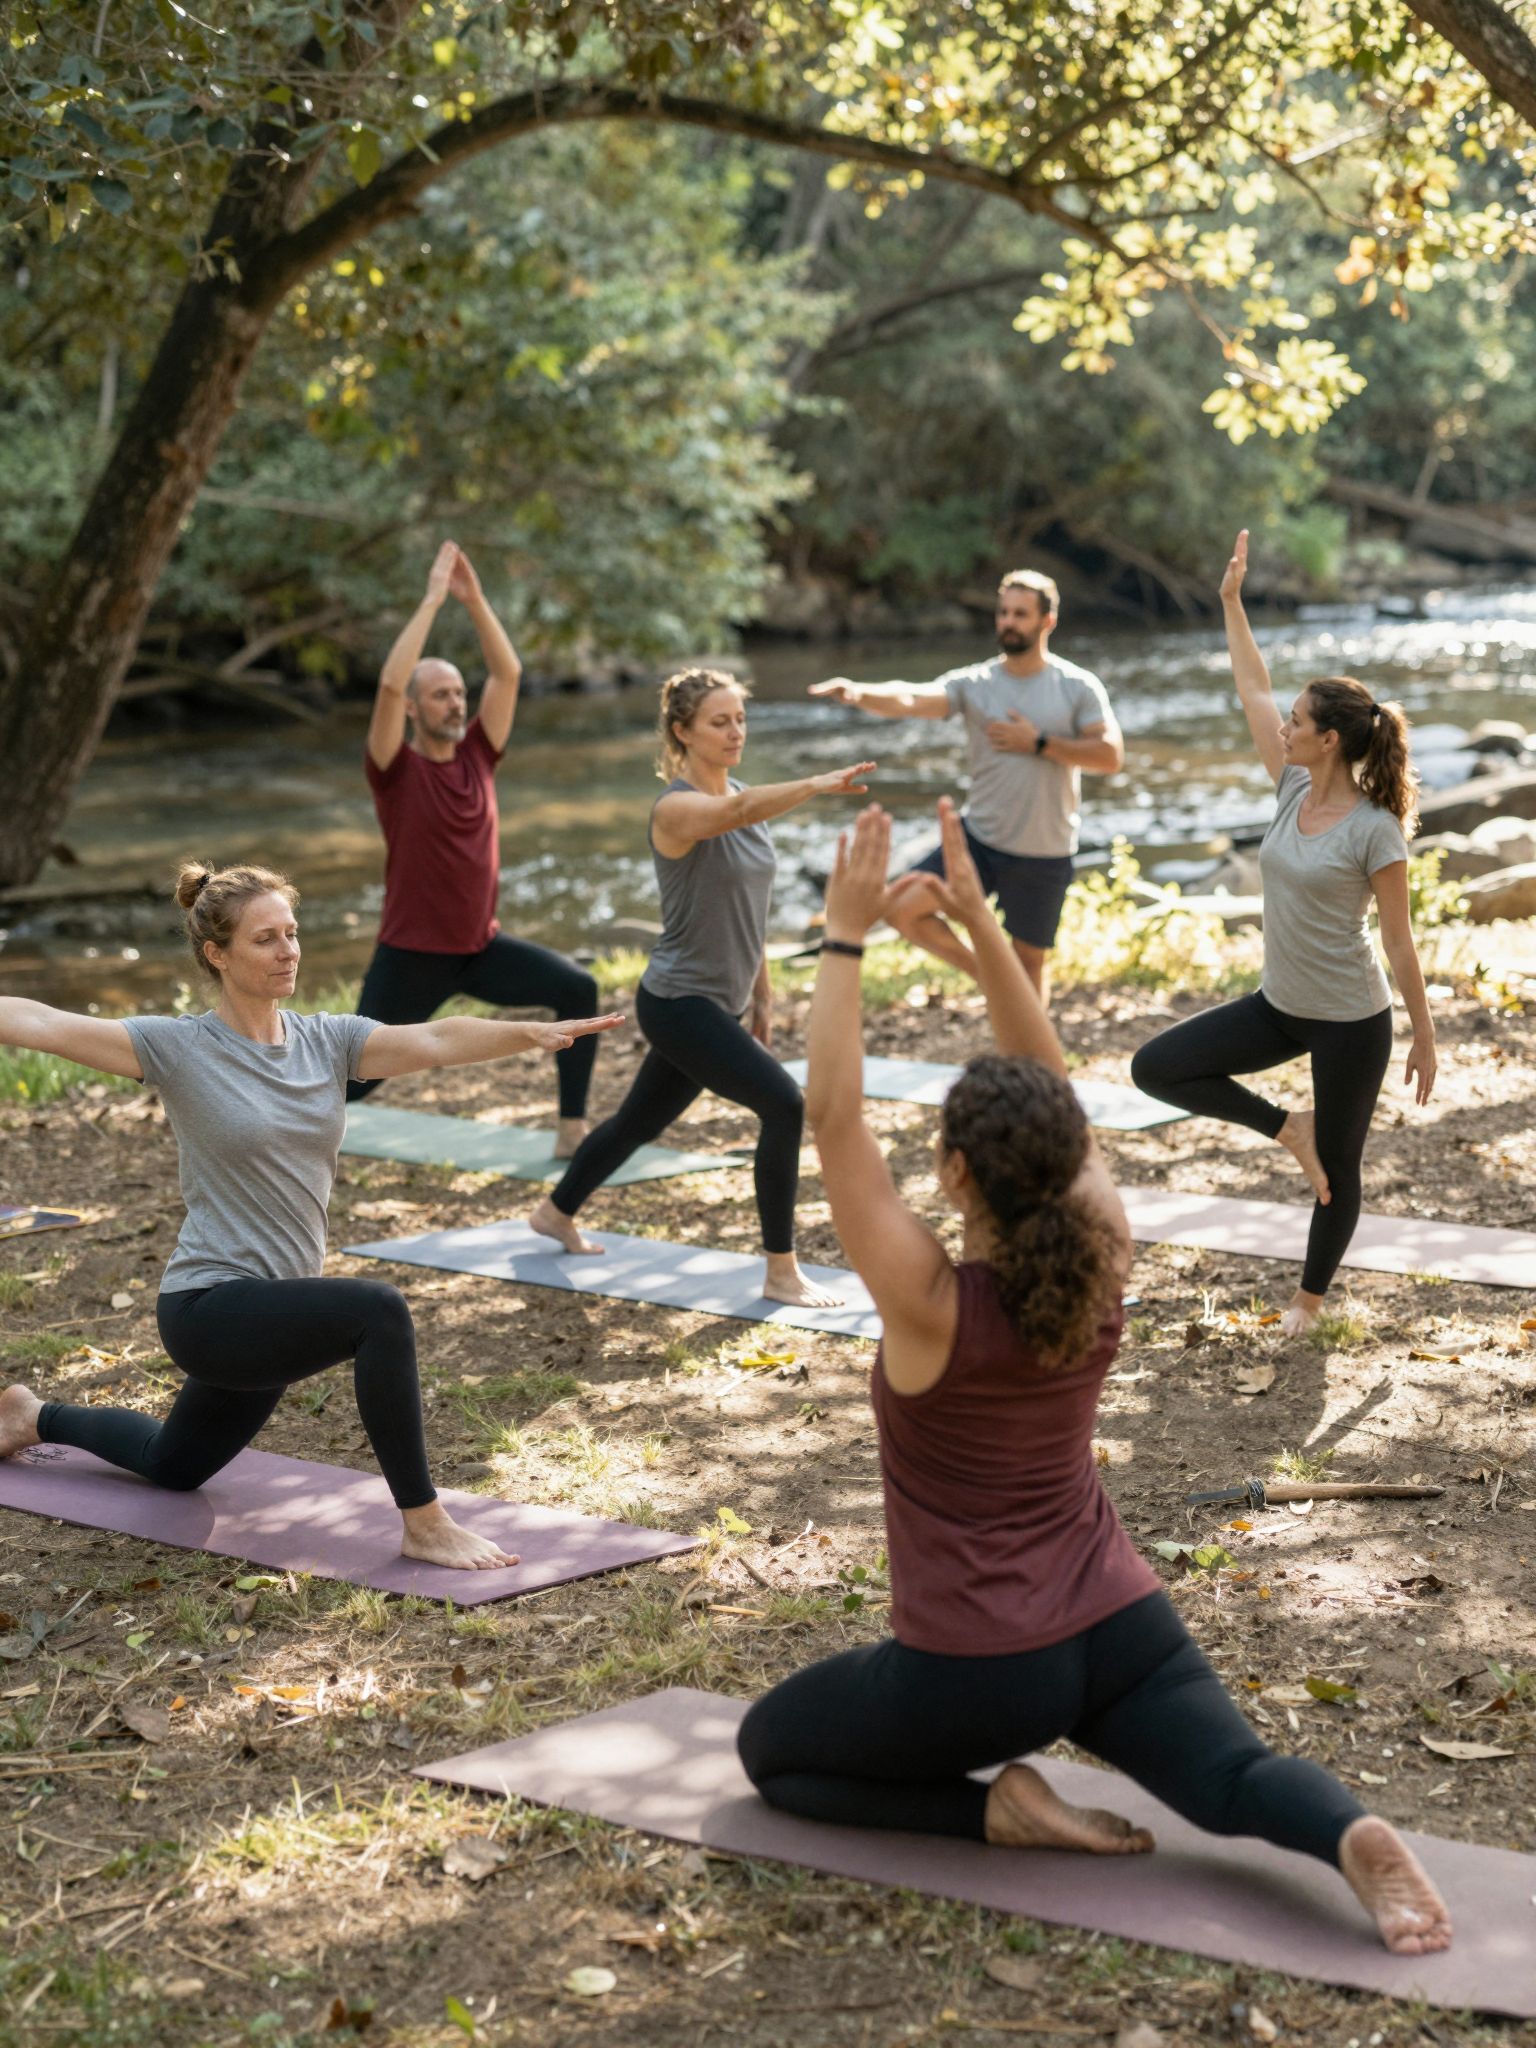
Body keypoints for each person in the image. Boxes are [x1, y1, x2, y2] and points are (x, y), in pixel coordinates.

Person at [735, 798, 1451, 1959]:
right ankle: (1351, 1833)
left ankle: (997, 1808)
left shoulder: (930, 1306)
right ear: (1067, 1161)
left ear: (957, 1175)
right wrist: (975, 921)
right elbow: (1046, 1077)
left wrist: (847, 935)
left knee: (774, 1750)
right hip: (1117, 1619)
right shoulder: (1102, 1255)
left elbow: (831, 1114)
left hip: (974, 1670)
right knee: (1233, 1772)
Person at [0, 861, 621, 1570]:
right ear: (216, 954)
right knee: (376, 1311)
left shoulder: (328, 1040)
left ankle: (31, 1414)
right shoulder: (176, 1049)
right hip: (210, 1306)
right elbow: (41, 1022)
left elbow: (436, 1040)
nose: (288, 950)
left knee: (173, 1463)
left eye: (292, 934)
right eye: (265, 939)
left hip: (275, 1307)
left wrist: (530, 1034)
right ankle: (424, 1523)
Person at [1130, 531, 1436, 1337]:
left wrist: (1424, 1037)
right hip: (1279, 1004)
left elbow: (1400, 943)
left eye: (1299, 720)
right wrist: (1231, 602)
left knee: (1337, 1172)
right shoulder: (1290, 785)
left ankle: (1308, 1304)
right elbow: (1252, 686)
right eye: (1291, 718)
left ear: (1329, 738)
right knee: (1156, 1067)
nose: (1286, 725)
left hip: (1349, 1019)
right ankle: (1284, 1127)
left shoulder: (1376, 830)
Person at [528, 668, 874, 1309]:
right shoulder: (677, 809)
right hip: (677, 1003)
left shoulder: (742, 791)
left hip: (724, 1000)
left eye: (740, 718)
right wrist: (818, 783)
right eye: (720, 721)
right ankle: (780, 1270)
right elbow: (735, 812)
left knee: (638, 1121)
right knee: (784, 1105)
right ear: (682, 732)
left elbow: (752, 905)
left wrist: (763, 992)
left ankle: (555, 1212)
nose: (735, 730)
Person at [352, 540, 601, 1158]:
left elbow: (509, 673)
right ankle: (261, 1115)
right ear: (413, 709)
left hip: (480, 948)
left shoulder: (479, 757)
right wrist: (434, 600)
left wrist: (476, 599)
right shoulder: (394, 770)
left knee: (579, 992)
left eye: (459, 692)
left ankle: (572, 1130)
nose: (456, 702)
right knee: (353, 1079)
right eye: (440, 694)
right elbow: (387, 684)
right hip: (411, 956)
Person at [810, 569, 1123, 1002]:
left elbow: (1110, 756)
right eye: (1003, 613)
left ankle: (1031, 1061)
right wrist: (859, 693)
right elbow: (911, 698)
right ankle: (995, 978)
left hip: (1044, 849)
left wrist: (1038, 743)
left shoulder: (1077, 686)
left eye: (1020, 614)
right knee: (903, 908)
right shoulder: (975, 684)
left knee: (1031, 962)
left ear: (1047, 621)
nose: (1008, 622)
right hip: (979, 839)